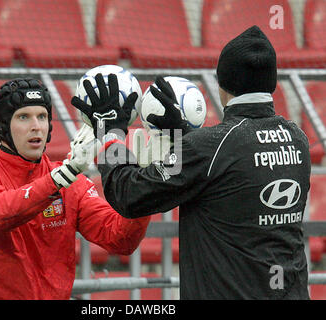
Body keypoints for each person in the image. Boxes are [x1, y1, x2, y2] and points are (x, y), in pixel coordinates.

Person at [71, 26, 311, 299]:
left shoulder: (209, 147)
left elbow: (130, 193)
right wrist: (186, 137)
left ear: (221, 82)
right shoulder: (297, 139)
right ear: (273, 82)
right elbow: (233, 174)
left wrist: (110, 133)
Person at [0, 78, 150, 300]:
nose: (36, 126)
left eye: (42, 117)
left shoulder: (69, 181)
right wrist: (63, 176)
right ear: (3, 126)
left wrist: (146, 188)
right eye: (24, 117)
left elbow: (120, 238)